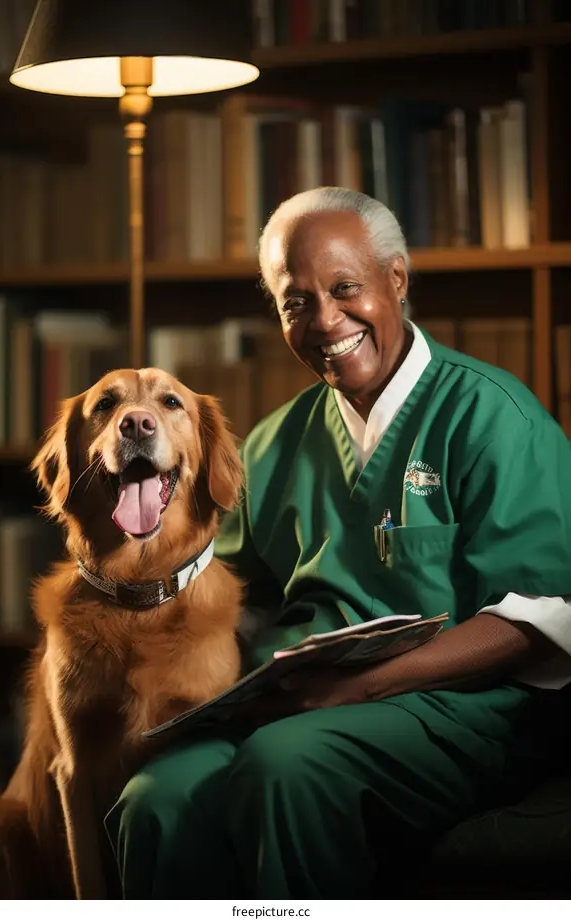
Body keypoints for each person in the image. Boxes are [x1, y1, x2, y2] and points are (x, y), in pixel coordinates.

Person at [105, 188, 571, 899]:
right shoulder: (273, 440)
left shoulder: (490, 415)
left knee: (286, 763)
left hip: (463, 709)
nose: (325, 321)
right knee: (155, 795)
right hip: (300, 700)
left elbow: (545, 614)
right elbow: (228, 594)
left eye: (345, 288)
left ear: (397, 280)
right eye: (296, 302)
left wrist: (358, 687)